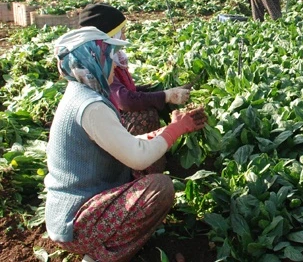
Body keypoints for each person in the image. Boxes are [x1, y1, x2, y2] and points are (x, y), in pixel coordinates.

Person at [44, 27, 208, 262]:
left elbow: (127, 144)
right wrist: (175, 129)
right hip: (75, 223)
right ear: (93, 60)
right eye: (109, 58)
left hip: (81, 206)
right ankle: (100, 256)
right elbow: (137, 157)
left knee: (148, 168)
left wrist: (172, 128)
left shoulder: (80, 94)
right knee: (159, 188)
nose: (116, 65)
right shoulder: (91, 107)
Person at [79, 3, 191, 136]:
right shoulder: (100, 65)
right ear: (110, 36)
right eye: (122, 33)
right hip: (105, 125)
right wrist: (166, 95)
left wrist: (157, 90)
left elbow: (127, 90)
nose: (124, 38)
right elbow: (124, 101)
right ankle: (139, 151)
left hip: (107, 117)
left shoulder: (110, 59)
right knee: (145, 116)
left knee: (153, 102)